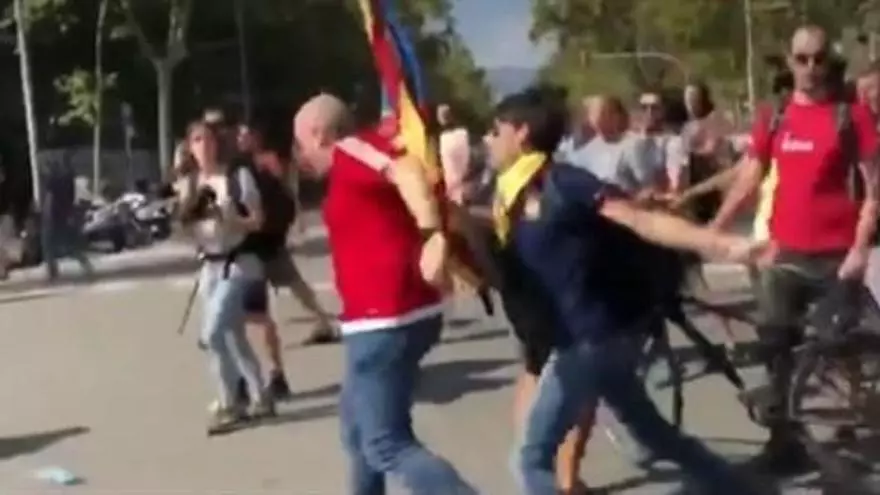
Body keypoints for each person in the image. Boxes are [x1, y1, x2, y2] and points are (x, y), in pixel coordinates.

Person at [485, 86, 771, 494]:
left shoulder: (566, 183)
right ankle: (743, 489)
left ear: (522, 133)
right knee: (654, 434)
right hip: (601, 338)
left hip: (588, 339)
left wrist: (722, 244)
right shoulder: (513, 194)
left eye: (495, 131)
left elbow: (641, 220)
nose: (488, 141)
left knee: (529, 461)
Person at [711, 25, 879, 475]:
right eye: (802, 58)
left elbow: (874, 189)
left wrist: (860, 249)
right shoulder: (775, 117)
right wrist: (714, 229)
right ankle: (784, 445)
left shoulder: (851, 116)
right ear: (790, 62)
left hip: (835, 258)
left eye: (819, 58)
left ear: (829, 61)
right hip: (781, 257)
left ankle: (859, 424)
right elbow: (749, 177)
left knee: (843, 351)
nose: (811, 67)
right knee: (777, 352)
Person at [293, 93, 477, 494]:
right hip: (388, 316)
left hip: (387, 318)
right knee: (357, 430)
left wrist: (431, 233)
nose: (301, 155)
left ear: (319, 133)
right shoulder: (355, 161)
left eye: (300, 143)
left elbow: (407, 172)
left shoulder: (351, 150)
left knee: (385, 444)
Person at [177, 120, 274, 435]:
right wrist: (186, 218)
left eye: (208, 139)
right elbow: (183, 232)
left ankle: (230, 402)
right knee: (232, 335)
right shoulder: (189, 183)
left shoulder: (236, 176)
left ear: (218, 143)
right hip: (210, 268)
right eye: (196, 140)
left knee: (212, 334)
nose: (203, 145)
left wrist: (232, 218)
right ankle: (260, 396)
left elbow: (257, 220)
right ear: (189, 147)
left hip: (238, 263)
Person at [567, 95, 664, 196]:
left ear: (617, 116)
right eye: (594, 113)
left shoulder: (634, 145)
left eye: (605, 113)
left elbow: (649, 187)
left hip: (627, 202)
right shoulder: (586, 151)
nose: (598, 118)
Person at [41, 154, 94, 282]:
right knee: (70, 244)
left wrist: (46, 217)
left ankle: (53, 272)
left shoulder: (52, 182)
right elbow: (71, 199)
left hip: (53, 217)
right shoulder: (68, 180)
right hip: (65, 216)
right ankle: (85, 264)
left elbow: (49, 200)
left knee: (48, 245)